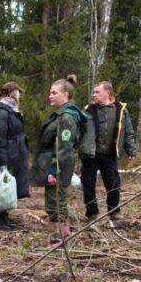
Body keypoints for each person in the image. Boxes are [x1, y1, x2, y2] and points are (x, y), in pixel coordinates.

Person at [31, 75, 88, 243]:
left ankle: (62, 234)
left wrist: (54, 170)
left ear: (65, 95)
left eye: (54, 93)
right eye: (50, 92)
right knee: (53, 199)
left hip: (59, 167)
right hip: (54, 164)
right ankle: (60, 231)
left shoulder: (67, 117)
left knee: (56, 200)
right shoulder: (61, 115)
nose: (50, 96)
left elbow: (64, 148)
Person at [81, 81, 138, 222]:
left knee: (113, 183)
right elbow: (79, 131)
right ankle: (91, 213)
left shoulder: (120, 109)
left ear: (107, 92)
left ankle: (114, 211)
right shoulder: (88, 109)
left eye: (97, 92)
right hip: (90, 154)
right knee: (88, 184)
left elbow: (128, 133)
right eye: (93, 92)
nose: (94, 95)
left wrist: (131, 151)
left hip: (109, 153)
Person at [0, 81, 30, 231]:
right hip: (7, 155)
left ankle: (5, 218)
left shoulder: (12, 111)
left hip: (14, 153)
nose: (20, 95)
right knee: (3, 187)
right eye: (18, 92)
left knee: (8, 187)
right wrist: (2, 164)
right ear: (13, 93)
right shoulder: (2, 113)